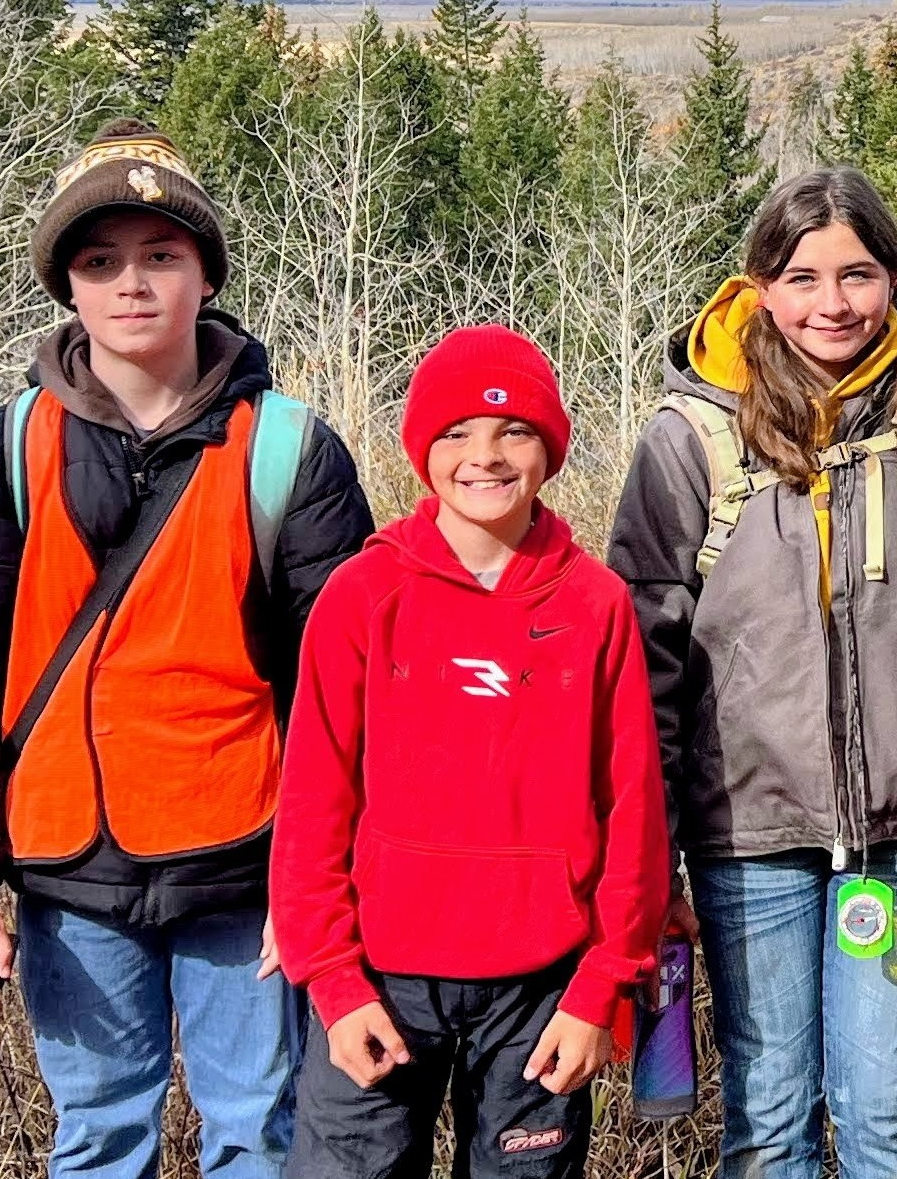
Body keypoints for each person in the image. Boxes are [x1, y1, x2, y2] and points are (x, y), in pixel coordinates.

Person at [0, 121, 379, 1179]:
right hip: (69, 866)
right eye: (100, 260)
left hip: (246, 863)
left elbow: (351, 695)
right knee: (101, 1136)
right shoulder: (6, 449)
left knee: (260, 1129)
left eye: (162, 254)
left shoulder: (289, 449)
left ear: (206, 271)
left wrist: (324, 885)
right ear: (67, 284)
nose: (132, 283)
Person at [605, 167, 897, 1179]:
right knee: (766, 1111)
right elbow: (642, 659)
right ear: (758, 288)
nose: (832, 303)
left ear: (895, 275)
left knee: (888, 1104)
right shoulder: (695, 437)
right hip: (745, 831)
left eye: (857, 274)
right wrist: (654, 842)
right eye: (802, 277)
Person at [274, 327, 669, 1179]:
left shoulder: (595, 603)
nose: (483, 456)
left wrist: (602, 986)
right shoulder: (362, 595)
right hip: (383, 979)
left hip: (543, 989)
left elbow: (633, 803)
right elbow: (312, 799)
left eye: (512, 431)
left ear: (550, 447)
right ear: (423, 449)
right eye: (455, 433)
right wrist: (334, 984)